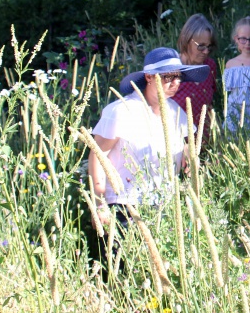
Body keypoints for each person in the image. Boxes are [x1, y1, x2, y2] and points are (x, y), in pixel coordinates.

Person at [88, 47, 210, 230]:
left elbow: (184, 148)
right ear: (149, 77)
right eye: (168, 76)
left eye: (179, 77)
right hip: (124, 205)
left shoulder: (176, 111)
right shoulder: (121, 111)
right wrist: (99, 203)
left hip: (164, 205)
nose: (175, 82)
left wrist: (190, 158)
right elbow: (97, 156)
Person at [171, 14, 218, 146]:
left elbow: (210, 102)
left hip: (206, 141)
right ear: (187, 40)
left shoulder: (210, 66)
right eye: (201, 46)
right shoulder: (172, 68)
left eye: (209, 46)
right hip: (177, 142)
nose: (206, 51)